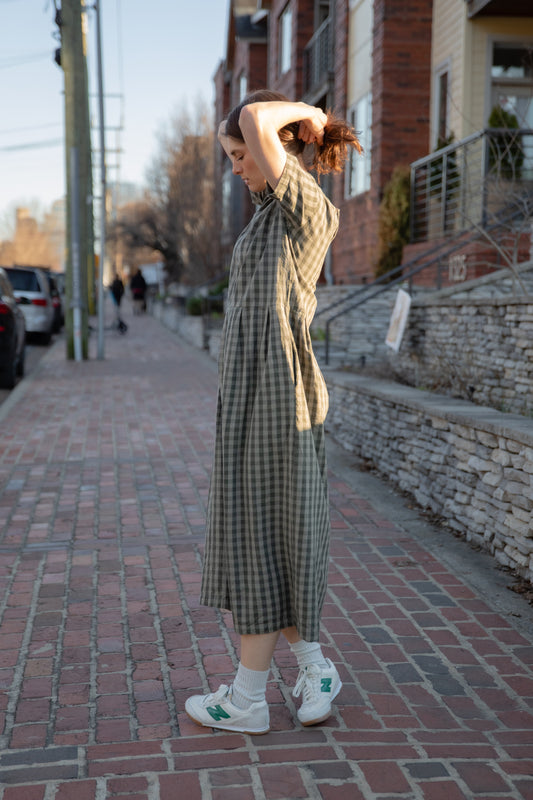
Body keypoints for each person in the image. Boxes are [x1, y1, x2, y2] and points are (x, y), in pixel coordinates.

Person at [185, 90, 362, 735]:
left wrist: (308, 120)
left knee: (265, 539)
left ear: (277, 149)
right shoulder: (267, 214)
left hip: (281, 401)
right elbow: (257, 131)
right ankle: (310, 668)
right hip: (251, 403)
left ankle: (249, 697)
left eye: (240, 156)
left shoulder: (306, 209)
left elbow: (261, 119)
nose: (236, 168)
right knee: (265, 540)